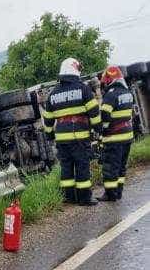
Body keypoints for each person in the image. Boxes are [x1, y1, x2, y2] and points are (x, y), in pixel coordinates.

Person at [43, 58, 101, 206]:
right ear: (75, 70)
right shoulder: (83, 89)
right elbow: (94, 113)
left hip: (62, 140)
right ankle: (84, 198)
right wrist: (99, 130)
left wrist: (50, 135)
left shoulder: (53, 94)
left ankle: (69, 197)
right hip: (80, 138)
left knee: (66, 167)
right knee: (82, 166)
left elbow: (48, 119)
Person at [97, 66, 134, 202]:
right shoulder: (127, 92)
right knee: (121, 167)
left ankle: (110, 194)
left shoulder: (111, 94)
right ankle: (118, 192)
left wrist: (103, 131)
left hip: (114, 138)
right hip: (127, 137)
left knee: (110, 167)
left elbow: (105, 115)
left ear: (108, 80)